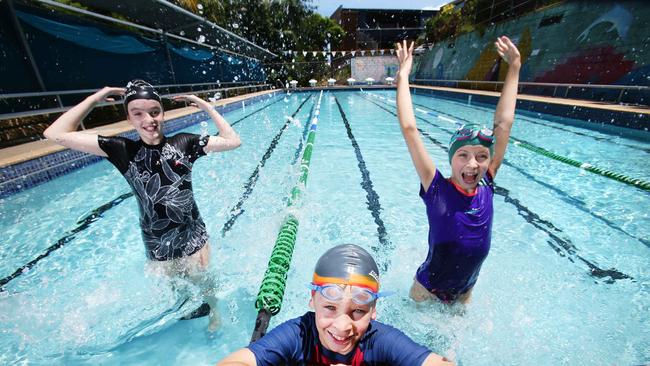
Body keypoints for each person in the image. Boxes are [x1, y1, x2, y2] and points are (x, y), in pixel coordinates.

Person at [43, 80, 241, 330]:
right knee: (179, 296)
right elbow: (54, 134)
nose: (149, 119)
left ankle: (216, 315)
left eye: (155, 111)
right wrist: (98, 96)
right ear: (129, 118)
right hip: (157, 243)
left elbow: (233, 141)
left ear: (163, 113)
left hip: (194, 238)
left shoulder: (184, 143)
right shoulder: (122, 150)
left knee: (205, 284)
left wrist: (204, 106)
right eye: (138, 113)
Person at [395, 37, 521, 304]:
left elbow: (504, 124)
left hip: (464, 294)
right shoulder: (436, 188)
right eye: (463, 155)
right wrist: (403, 76)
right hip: (426, 293)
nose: (473, 164)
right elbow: (409, 129)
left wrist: (515, 67)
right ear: (451, 159)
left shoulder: (487, 184)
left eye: (481, 157)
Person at [217, 244, 454, 366]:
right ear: (313, 300)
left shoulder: (380, 340)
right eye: (330, 308)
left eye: (358, 311)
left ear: (373, 310)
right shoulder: (299, 334)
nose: (342, 326)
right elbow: (234, 361)